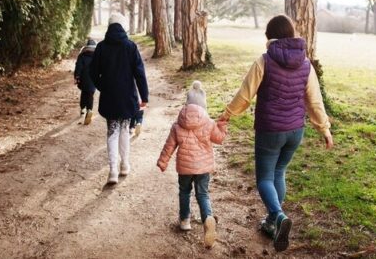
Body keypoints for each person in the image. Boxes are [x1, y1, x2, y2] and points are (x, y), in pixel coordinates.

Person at [218, 15, 333, 253]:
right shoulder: (306, 64)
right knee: (279, 172)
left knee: (264, 178)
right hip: (295, 131)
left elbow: (245, 94)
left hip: (270, 130)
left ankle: (278, 217)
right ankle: (273, 223)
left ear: (269, 37)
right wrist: (324, 129)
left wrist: (227, 114)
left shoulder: (265, 61)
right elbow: (315, 100)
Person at [157, 81, 227, 248]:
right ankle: (207, 219)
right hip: (203, 168)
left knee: (184, 192)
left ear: (187, 105)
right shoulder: (209, 123)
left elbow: (170, 145)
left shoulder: (178, 124)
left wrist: (163, 161)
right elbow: (220, 139)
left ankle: (184, 220)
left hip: (185, 168)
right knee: (202, 194)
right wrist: (222, 126)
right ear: (204, 106)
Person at [89, 13, 149, 185]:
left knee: (112, 132)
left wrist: (103, 86)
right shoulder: (130, 46)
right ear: (123, 26)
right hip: (127, 96)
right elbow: (139, 73)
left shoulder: (101, 47)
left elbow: (92, 72)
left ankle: (113, 170)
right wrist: (144, 96)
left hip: (110, 96)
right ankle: (125, 165)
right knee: (124, 130)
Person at [74, 39, 97, 125]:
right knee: (90, 94)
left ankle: (83, 108)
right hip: (94, 79)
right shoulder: (97, 55)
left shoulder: (82, 55)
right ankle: (89, 109)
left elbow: (78, 67)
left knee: (84, 93)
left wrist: (77, 76)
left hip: (84, 78)